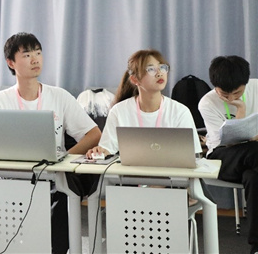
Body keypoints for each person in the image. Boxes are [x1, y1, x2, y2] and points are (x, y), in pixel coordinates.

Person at [0, 32, 101, 254]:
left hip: (54, 180)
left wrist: (63, 158)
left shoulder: (59, 96)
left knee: (56, 239)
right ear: (11, 62)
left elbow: (93, 134)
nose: (35, 59)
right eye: (27, 55)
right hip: (14, 180)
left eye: (38, 53)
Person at [87, 49, 202, 158]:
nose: (159, 73)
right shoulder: (119, 111)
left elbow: (192, 156)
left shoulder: (180, 111)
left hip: (172, 171)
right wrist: (99, 152)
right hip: (131, 172)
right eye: (151, 69)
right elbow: (107, 149)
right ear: (135, 80)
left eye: (162, 67)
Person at [198, 55, 258, 254]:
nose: (231, 98)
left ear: (246, 83)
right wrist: (240, 109)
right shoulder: (207, 103)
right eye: (224, 94)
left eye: (237, 93)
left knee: (253, 177)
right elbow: (229, 142)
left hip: (252, 157)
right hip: (222, 157)